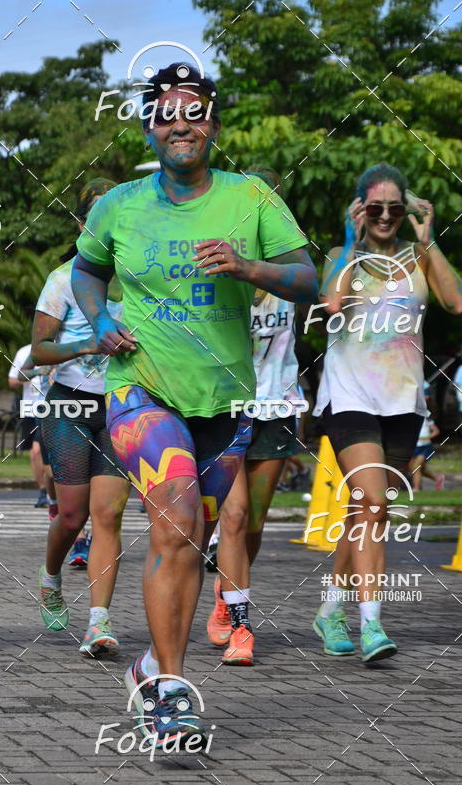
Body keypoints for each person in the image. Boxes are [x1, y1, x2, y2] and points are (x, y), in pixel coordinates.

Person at [72, 64, 317, 747]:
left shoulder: (252, 197)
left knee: (192, 537)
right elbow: (87, 270)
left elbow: (309, 278)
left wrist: (248, 267)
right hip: (139, 387)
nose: (181, 124)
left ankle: (152, 664)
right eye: (167, 113)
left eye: (195, 112)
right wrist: (99, 321)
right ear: (150, 127)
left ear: (213, 123)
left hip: (224, 399)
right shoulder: (118, 204)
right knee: (177, 520)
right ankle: (170, 694)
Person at [311, 164, 462, 662]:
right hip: (349, 396)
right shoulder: (341, 256)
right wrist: (350, 243)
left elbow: (456, 302)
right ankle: (372, 623)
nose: (385, 216)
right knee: (373, 503)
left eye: (394, 208)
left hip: (402, 400)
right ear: (359, 209)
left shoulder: (418, 256)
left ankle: (330, 609)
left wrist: (429, 239)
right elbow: (333, 304)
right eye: (374, 207)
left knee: (365, 511)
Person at [206, 170, 309, 667]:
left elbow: (324, 291)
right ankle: (241, 626)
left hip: (278, 407)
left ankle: (226, 595)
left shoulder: (290, 272)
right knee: (234, 515)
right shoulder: (219, 262)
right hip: (229, 405)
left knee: (253, 525)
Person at [32, 178, 130, 657]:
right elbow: (39, 350)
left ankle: (98, 622)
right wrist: (87, 344)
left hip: (122, 405)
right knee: (72, 514)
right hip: (69, 404)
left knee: (107, 514)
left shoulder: (139, 277)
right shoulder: (62, 279)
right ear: (80, 223)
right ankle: (51, 576)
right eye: (95, 216)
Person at [8, 345, 52, 507]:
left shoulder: (63, 344)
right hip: (30, 410)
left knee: (41, 452)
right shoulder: (24, 352)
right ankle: (43, 492)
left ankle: (52, 493)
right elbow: (13, 380)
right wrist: (36, 373)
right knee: (35, 453)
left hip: (55, 409)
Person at [409, 386, 444, 491]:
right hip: (414, 447)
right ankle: (437, 479)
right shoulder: (409, 415)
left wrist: (426, 438)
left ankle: (416, 489)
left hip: (424, 447)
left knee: (416, 467)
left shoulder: (426, 415)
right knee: (417, 469)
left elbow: (436, 431)